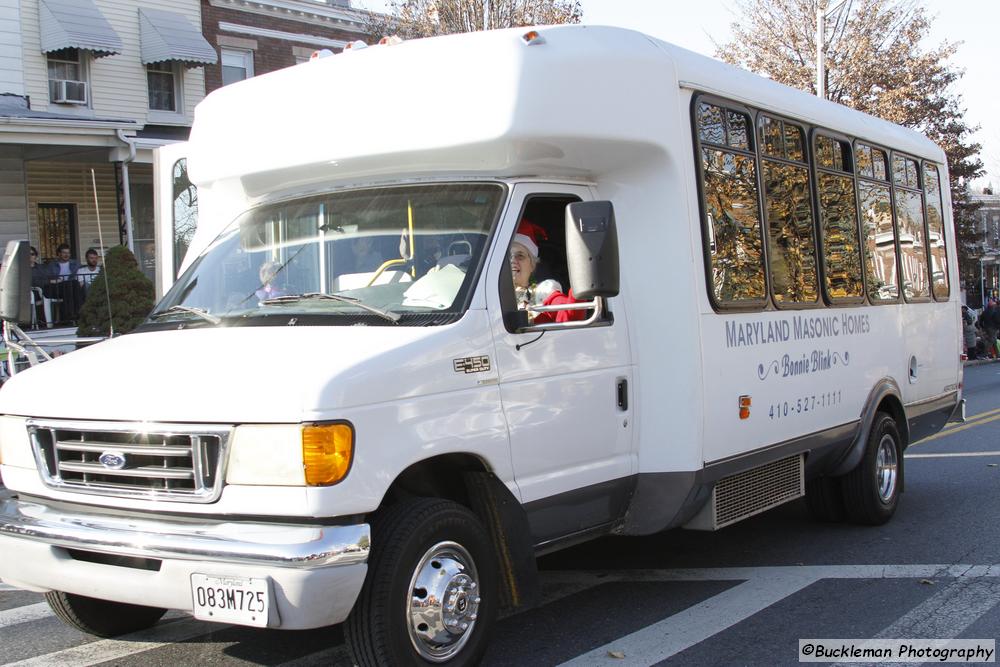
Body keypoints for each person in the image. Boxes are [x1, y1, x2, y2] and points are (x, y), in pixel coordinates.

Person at [510, 220, 585, 325]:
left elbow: (569, 317)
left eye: (520, 256)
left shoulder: (543, 293)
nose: (513, 261)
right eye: (507, 257)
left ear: (532, 265)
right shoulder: (485, 297)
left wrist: (582, 277)